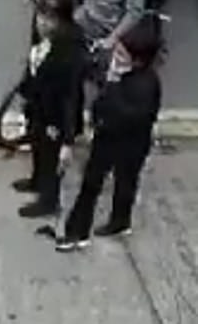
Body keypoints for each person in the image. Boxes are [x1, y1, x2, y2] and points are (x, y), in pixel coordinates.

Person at [55, 14, 162, 252]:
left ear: (138, 60)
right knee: (90, 184)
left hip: (130, 143)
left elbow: (130, 115)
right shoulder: (120, 73)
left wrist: (113, 85)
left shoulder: (146, 84)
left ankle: (120, 221)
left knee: (126, 181)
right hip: (106, 138)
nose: (116, 58)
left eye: (122, 55)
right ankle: (77, 232)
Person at [14, 0, 88, 218]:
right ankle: (36, 181)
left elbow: (70, 95)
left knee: (51, 159)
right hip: (39, 108)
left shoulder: (69, 51)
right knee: (38, 147)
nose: (42, 23)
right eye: (40, 17)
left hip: (56, 116)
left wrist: (67, 137)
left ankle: (48, 201)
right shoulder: (41, 39)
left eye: (49, 19)